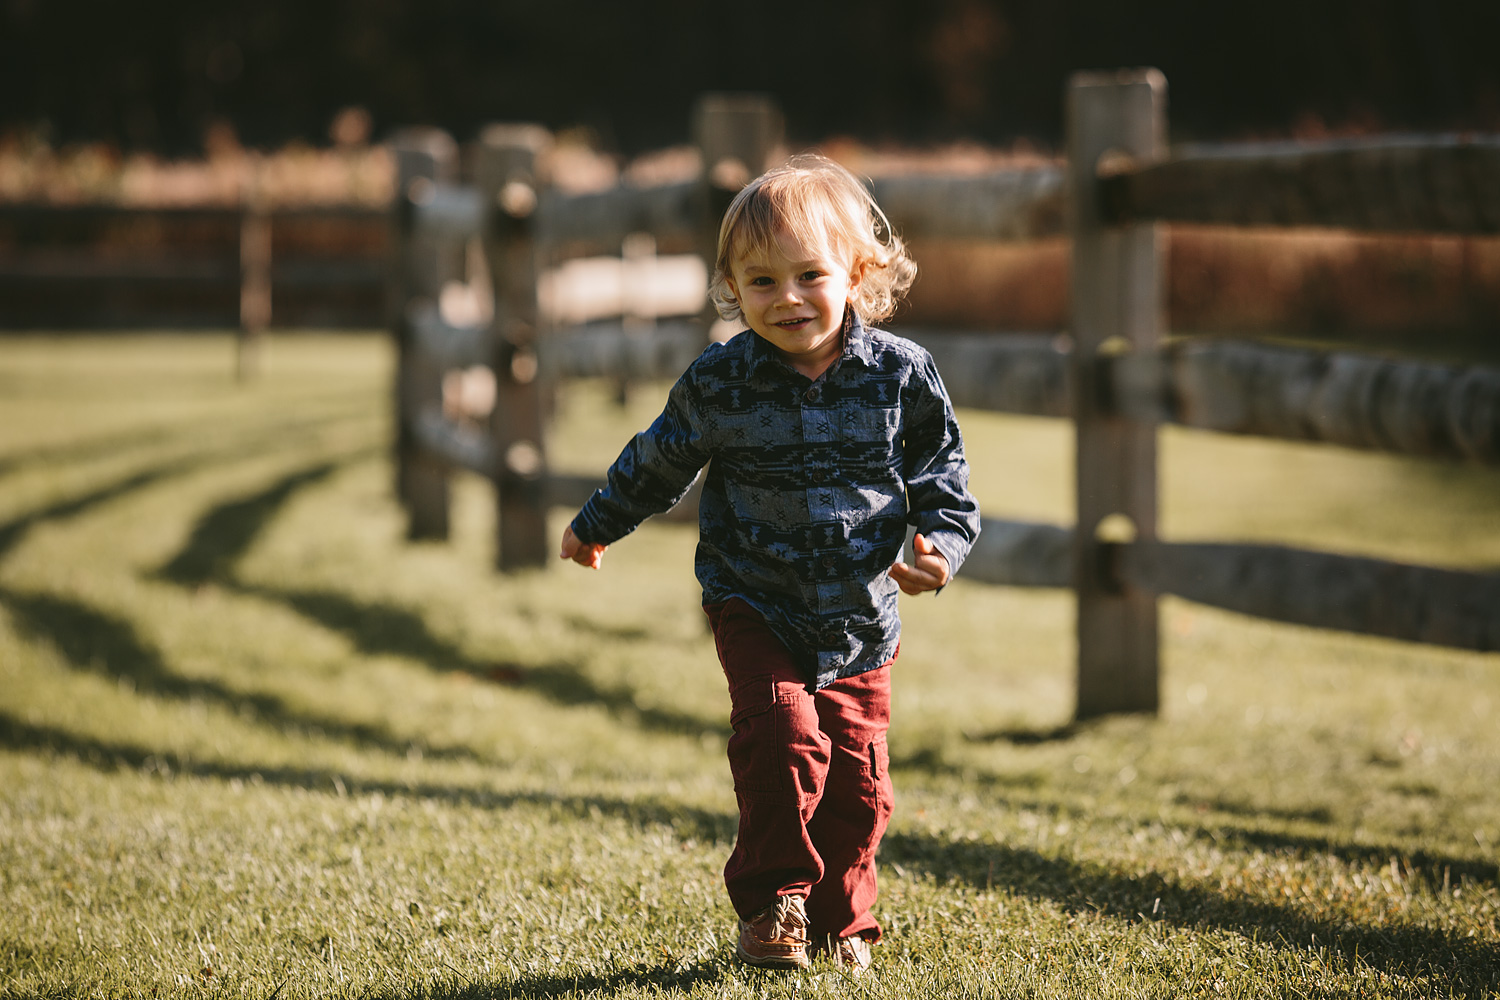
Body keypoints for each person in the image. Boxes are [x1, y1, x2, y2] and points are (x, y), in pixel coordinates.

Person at [560, 155, 980, 974]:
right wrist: (596, 523)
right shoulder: (722, 379)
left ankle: (843, 926)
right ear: (730, 288)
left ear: (858, 273)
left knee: (859, 792)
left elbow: (944, 478)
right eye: (760, 282)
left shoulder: (902, 376)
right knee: (781, 738)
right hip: (754, 599)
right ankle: (772, 905)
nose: (785, 298)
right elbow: (658, 460)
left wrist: (941, 549)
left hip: (861, 619)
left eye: (808, 275)